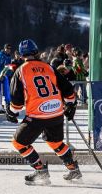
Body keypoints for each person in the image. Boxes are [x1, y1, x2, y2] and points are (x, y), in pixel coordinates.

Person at [6, 39, 80, 185]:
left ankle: (41, 171)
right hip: (56, 112)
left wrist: (11, 112)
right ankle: (73, 169)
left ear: (21, 55)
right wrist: (71, 104)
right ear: (36, 52)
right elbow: (67, 88)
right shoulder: (49, 67)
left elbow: (17, 102)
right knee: (55, 142)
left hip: (37, 115)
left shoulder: (21, 71)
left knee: (18, 142)